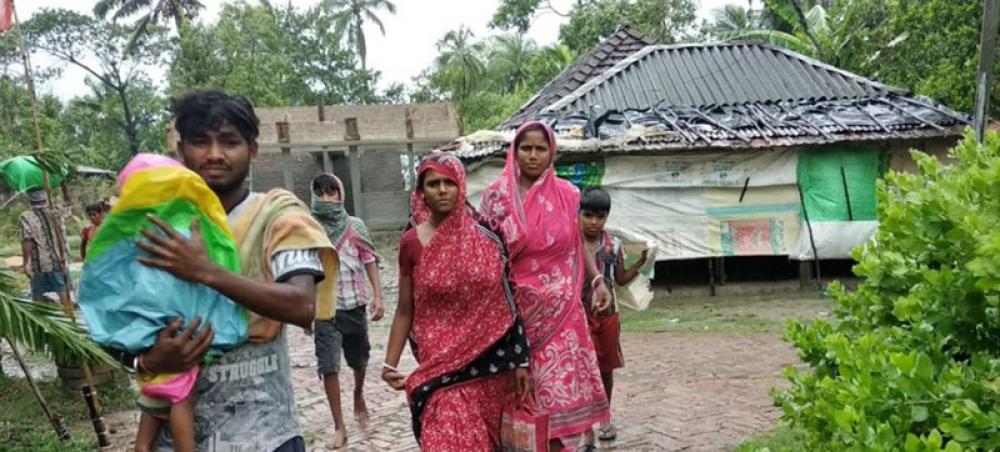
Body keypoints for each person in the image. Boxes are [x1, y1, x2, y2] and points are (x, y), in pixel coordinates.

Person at [123, 90, 339, 451]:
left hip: (265, 434)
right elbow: (120, 323)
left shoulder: (278, 217)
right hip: (173, 436)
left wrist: (205, 271)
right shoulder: (155, 226)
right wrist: (147, 358)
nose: (214, 154)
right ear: (181, 150)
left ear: (252, 149)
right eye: (199, 142)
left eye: (229, 142)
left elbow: (301, 306)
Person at [381, 152, 531, 450]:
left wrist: (521, 360)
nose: (441, 190)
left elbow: (508, 302)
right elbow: (404, 310)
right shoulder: (411, 243)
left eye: (449, 182)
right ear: (421, 192)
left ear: (460, 186)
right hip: (439, 363)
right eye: (433, 183)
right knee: (446, 439)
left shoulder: (489, 238)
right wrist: (389, 362)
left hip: (489, 362)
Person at [480, 121, 613, 451]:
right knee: (521, 406)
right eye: (526, 148)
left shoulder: (568, 195)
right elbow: (487, 254)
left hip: (561, 315)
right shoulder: (495, 198)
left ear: (551, 151)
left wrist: (596, 279)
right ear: (514, 151)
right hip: (513, 316)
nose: (533, 155)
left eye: (541, 148)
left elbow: (577, 243)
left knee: (558, 407)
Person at [309, 173, 385, 449]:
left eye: (332, 193)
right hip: (324, 310)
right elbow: (304, 271)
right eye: (321, 194)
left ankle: (358, 392)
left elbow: (369, 260)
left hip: (354, 305)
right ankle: (339, 425)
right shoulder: (309, 229)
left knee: (359, 360)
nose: (327, 199)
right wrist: (305, 310)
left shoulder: (355, 227)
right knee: (328, 366)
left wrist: (378, 295)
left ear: (341, 195)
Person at [578, 187, 649, 444]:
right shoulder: (570, 242)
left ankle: (604, 417)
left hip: (608, 316)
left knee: (606, 368)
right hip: (578, 316)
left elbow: (619, 279)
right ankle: (584, 424)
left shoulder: (613, 244)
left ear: (607, 217)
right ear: (578, 214)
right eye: (588, 215)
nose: (594, 222)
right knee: (581, 369)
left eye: (600, 216)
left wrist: (640, 263)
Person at [19, 188, 71, 301]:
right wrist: (63, 185)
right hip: (61, 261)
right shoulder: (57, 210)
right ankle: (68, 316)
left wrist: (26, 263)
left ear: (29, 200)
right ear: (46, 197)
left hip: (40, 263)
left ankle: (39, 317)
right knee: (64, 295)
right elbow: (68, 203)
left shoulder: (26, 216)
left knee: (38, 296)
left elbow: (26, 240)